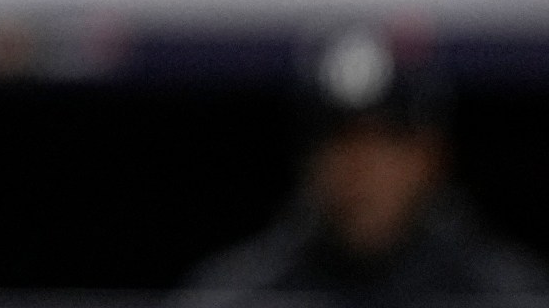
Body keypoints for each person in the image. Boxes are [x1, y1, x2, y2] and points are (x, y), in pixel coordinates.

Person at [182, 28, 549, 307]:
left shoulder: (508, 295)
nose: (360, 167)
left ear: (429, 157)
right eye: (340, 141)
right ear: (309, 158)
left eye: (384, 142)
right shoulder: (236, 295)